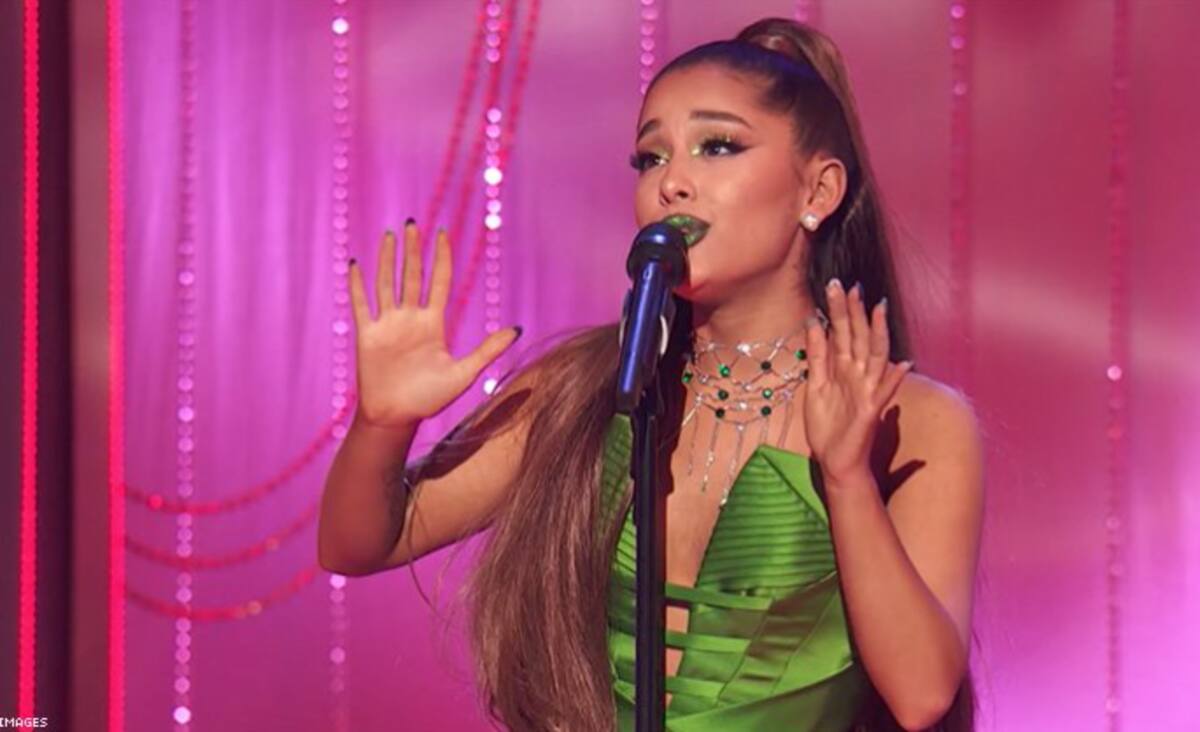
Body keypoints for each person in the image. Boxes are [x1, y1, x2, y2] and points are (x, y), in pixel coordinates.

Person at [318, 16, 983, 732]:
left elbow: (921, 694)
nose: (672, 183)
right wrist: (382, 426)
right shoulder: (585, 390)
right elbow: (358, 544)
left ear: (817, 191)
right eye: (649, 157)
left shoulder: (912, 418)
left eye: (718, 146)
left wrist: (847, 480)